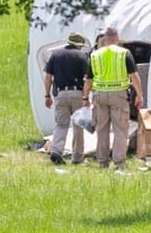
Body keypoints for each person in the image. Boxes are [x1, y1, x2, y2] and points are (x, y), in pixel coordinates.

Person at [82, 27, 144, 169]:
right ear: (117, 38)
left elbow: (89, 80)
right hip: (119, 95)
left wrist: (85, 97)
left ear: (104, 39)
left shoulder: (95, 55)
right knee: (120, 130)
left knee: (102, 130)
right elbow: (134, 76)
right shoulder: (124, 53)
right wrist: (139, 95)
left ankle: (102, 162)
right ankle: (119, 162)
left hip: (100, 95)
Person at [43, 32, 90, 165]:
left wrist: (47, 95)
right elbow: (87, 78)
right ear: (79, 45)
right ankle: (77, 157)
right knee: (78, 126)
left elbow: (48, 77)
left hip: (60, 94)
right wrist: (86, 97)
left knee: (61, 124)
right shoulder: (82, 56)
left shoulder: (55, 55)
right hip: (77, 94)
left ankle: (56, 151)